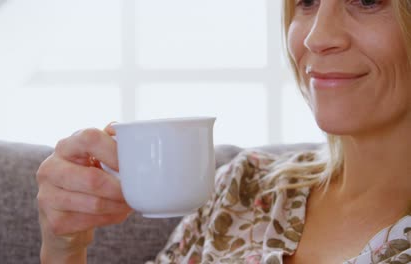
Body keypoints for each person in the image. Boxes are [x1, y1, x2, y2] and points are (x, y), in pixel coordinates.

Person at [35, 0, 411, 263]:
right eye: (307, 1)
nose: (316, 37)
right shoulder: (244, 187)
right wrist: (65, 250)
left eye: (367, 0)